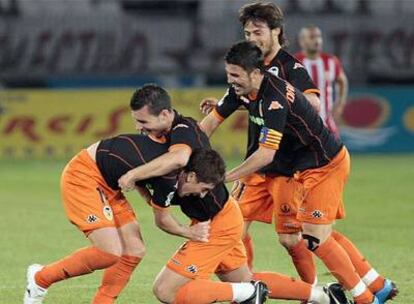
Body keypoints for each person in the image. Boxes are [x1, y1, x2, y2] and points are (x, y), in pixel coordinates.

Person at [200, 40, 398, 304]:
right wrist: (189, 151)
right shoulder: (243, 90)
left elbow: (265, 154)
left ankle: (363, 298)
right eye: (229, 75)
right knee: (311, 234)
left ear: (256, 73)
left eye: (236, 75)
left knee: (314, 237)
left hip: (325, 164)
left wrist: (222, 177)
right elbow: (211, 121)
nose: (231, 81)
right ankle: (371, 289)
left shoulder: (275, 98)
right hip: (299, 168)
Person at [117, 84, 348, 304]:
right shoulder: (170, 135)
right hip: (224, 216)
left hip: (216, 224)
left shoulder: (183, 134)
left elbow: (177, 161)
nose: (139, 127)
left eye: (143, 121)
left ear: (165, 114)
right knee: (244, 279)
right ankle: (324, 296)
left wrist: (132, 176)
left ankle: (248, 294)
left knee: (166, 290)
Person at [200, 1, 321, 285]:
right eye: (247, 34)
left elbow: (314, 103)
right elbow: (213, 120)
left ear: (276, 31)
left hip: (289, 167)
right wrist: (184, 148)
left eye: (258, 32)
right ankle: (247, 289)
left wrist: (278, 100)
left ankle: (314, 290)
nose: (252, 39)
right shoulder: (245, 70)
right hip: (256, 166)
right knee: (232, 227)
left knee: (290, 239)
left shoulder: (291, 67)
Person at [295, 25, 348, 138]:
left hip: (327, 123)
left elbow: (342, 81)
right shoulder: (294, 62)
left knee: (337, 155)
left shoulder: (331, 61)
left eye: (319, 36)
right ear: (302, 41)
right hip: (302, 125)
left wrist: (340, 103)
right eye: (312, 37)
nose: (317, 40)